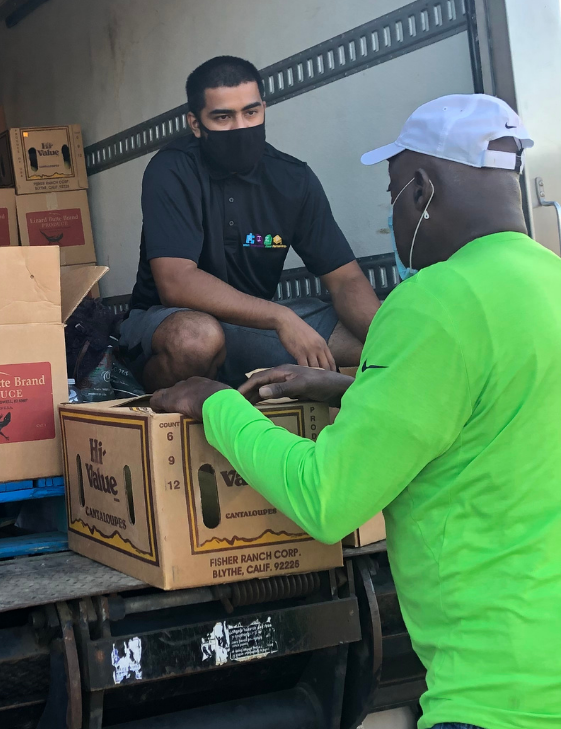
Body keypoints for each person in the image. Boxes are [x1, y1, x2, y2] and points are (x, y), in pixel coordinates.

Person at [152, 93, 561, 729]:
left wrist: (218, 404)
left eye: (393, 194)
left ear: (421, 190)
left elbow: (328, 496)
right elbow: (501, 403)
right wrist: (348, 389)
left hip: (499, 695)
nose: (391, 218)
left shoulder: (436, 301)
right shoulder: (548, 281)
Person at [120, 55, 381, 390]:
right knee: (197, 339)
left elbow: (345, 280)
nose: (241, 127)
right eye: (223, 117)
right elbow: (176, 282)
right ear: (196, 124)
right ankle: (149, 405)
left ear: (263, 108)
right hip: (169, 321)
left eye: (251, 112)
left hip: (254, 325)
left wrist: (389, 340)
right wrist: (280, 317)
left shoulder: (293, 179)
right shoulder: (172, 170)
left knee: (384, 338)